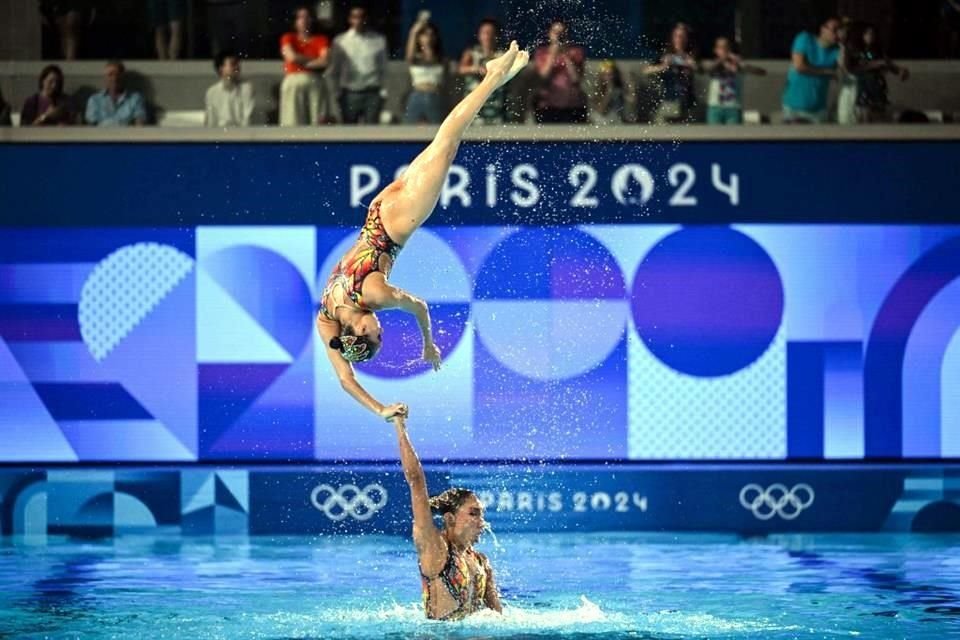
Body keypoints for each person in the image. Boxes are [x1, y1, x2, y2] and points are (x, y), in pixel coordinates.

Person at [315, 41, 529, 419]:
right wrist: (379, 408)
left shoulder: (375, 295)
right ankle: (496, 78)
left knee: (448, 142)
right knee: (441, 142)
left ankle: (493, 75)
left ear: (361, 331)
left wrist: (428, 345)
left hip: (399, 223)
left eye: (377, 333)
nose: (381, 327)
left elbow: (419, 306)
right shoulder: (326, 316)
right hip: (378, 210)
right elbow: (345, 379)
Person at [391, 414, 501, 620]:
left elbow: (500, 620)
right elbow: (415, 480)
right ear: (450, 519)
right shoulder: (436, 549)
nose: (481, 521)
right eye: (473, 513)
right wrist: (399, 426)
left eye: (482, 514)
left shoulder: (481, 562)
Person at [330, 5, 388, 124]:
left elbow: (384, 68)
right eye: (355, 17)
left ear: (366, 19)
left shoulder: (378, 40)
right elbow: (335, 69)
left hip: (373, 92)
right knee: (349, 133)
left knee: (372, 133)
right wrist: (336, 93)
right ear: (350, 19)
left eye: (362, 17)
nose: (359, 20)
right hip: (349, 93)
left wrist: (384, 91)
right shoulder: (340, 41)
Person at [843, 22, 910, 124]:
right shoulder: (853, 50)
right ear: (861, 34)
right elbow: (850, 68)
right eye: (867, 33)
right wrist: (874, 65)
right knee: (864, 117)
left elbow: (887, 64)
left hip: (877, 88)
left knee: (879, 117)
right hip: (862, 89)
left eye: (873, 34)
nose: (871, 36)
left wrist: (900, 70)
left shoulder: (876, 50)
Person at [781, 16, 840, 124]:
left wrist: (844, 44)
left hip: (818, 109)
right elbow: (799, 66)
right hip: (794, 107)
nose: (837, 33)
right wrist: (827, 72)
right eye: (834, 29)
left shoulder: (837, 51)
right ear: (823, 29)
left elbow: (842, 73)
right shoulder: (805, 39)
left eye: (840, 30)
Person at [279, 6, 330, 126]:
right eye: (300, 17)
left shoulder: (321, 39)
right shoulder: (288, 38)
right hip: (294, 80)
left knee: (318, 121)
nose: (304, 20)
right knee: (293, 121)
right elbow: (291, 57)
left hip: (316, 81)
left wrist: (301, 61)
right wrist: (315, 60)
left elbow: (325, 62)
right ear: (295, 21)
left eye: (307, 17)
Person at [533, 19, 587, 123]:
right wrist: (552, 54)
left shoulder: (576, 52)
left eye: (562, 33)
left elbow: (576, 79)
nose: (559, 36)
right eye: (556, 33)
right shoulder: (542, 53)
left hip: (573, 105)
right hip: (548, 105)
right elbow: (543, 77)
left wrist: (565, 55)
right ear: (550, 34)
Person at [644, 22, 698, 125]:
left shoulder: (691, 55)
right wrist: (663, 67)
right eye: (677, 36)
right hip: (669, 101)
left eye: (683, 36)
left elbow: (701, 70)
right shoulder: (665, 55)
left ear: (687, 38)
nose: (680, 39)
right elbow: (646, 71)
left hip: (687, 103)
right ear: (672, 38)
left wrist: (690, 64)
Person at [703, 37, 765, 125]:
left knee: (733, 136)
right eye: (720, 47)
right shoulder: (714, 65)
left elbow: (761, 72)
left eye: (726, 47)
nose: (724, 50)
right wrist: (722, 60)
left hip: (733, 107)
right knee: (714, 136)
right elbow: (704, 69)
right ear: (716, 50)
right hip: (715, 107)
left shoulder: (738, 65)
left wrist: (742, 64)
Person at [457, 18, 505, 125]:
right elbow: (460, 69)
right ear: (479, 35)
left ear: (497, 36)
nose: (488, 37)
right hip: (475, 103)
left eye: (492, 33)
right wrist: (475, 69)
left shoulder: (502, 55)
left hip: (496, 104)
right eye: (485, 33)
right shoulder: (471, 53)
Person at [404, 12, 446, 124]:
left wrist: (427, 46)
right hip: (417, 94)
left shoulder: (441, 58)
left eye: (431, 34)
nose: (429, 37)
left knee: (437, 129)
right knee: (409, 129)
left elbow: (432, 59)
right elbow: (409, 57)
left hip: (435, 95)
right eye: (425, 35)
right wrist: (414, 31)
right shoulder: (415, 57)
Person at [84, 60, 147, 126]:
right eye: (110, 74)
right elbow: (91, 127)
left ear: (123, 77)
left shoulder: (135, 98)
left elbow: (140, 124)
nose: (114, 78)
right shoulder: (94, 100)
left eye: (118, 74)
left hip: (127, 136)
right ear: (105, 77)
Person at [205, 51, 257, 127]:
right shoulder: (212, 92)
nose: (237, 67)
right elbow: (211, 122)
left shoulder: (246, 88)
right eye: (233, 64)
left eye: (238, 64)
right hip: (219, 136)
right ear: (221, 69)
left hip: (241, 135)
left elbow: (247, 120)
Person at [591, 59, 626, 124]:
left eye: (611, 74)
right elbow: (600, 111)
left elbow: (630, 104)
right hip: (602, 121)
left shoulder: (619, 90)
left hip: (616, 121)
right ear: (601, 76)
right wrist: (608, 92)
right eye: (606, 75)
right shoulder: (598, 90)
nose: (609, 77)